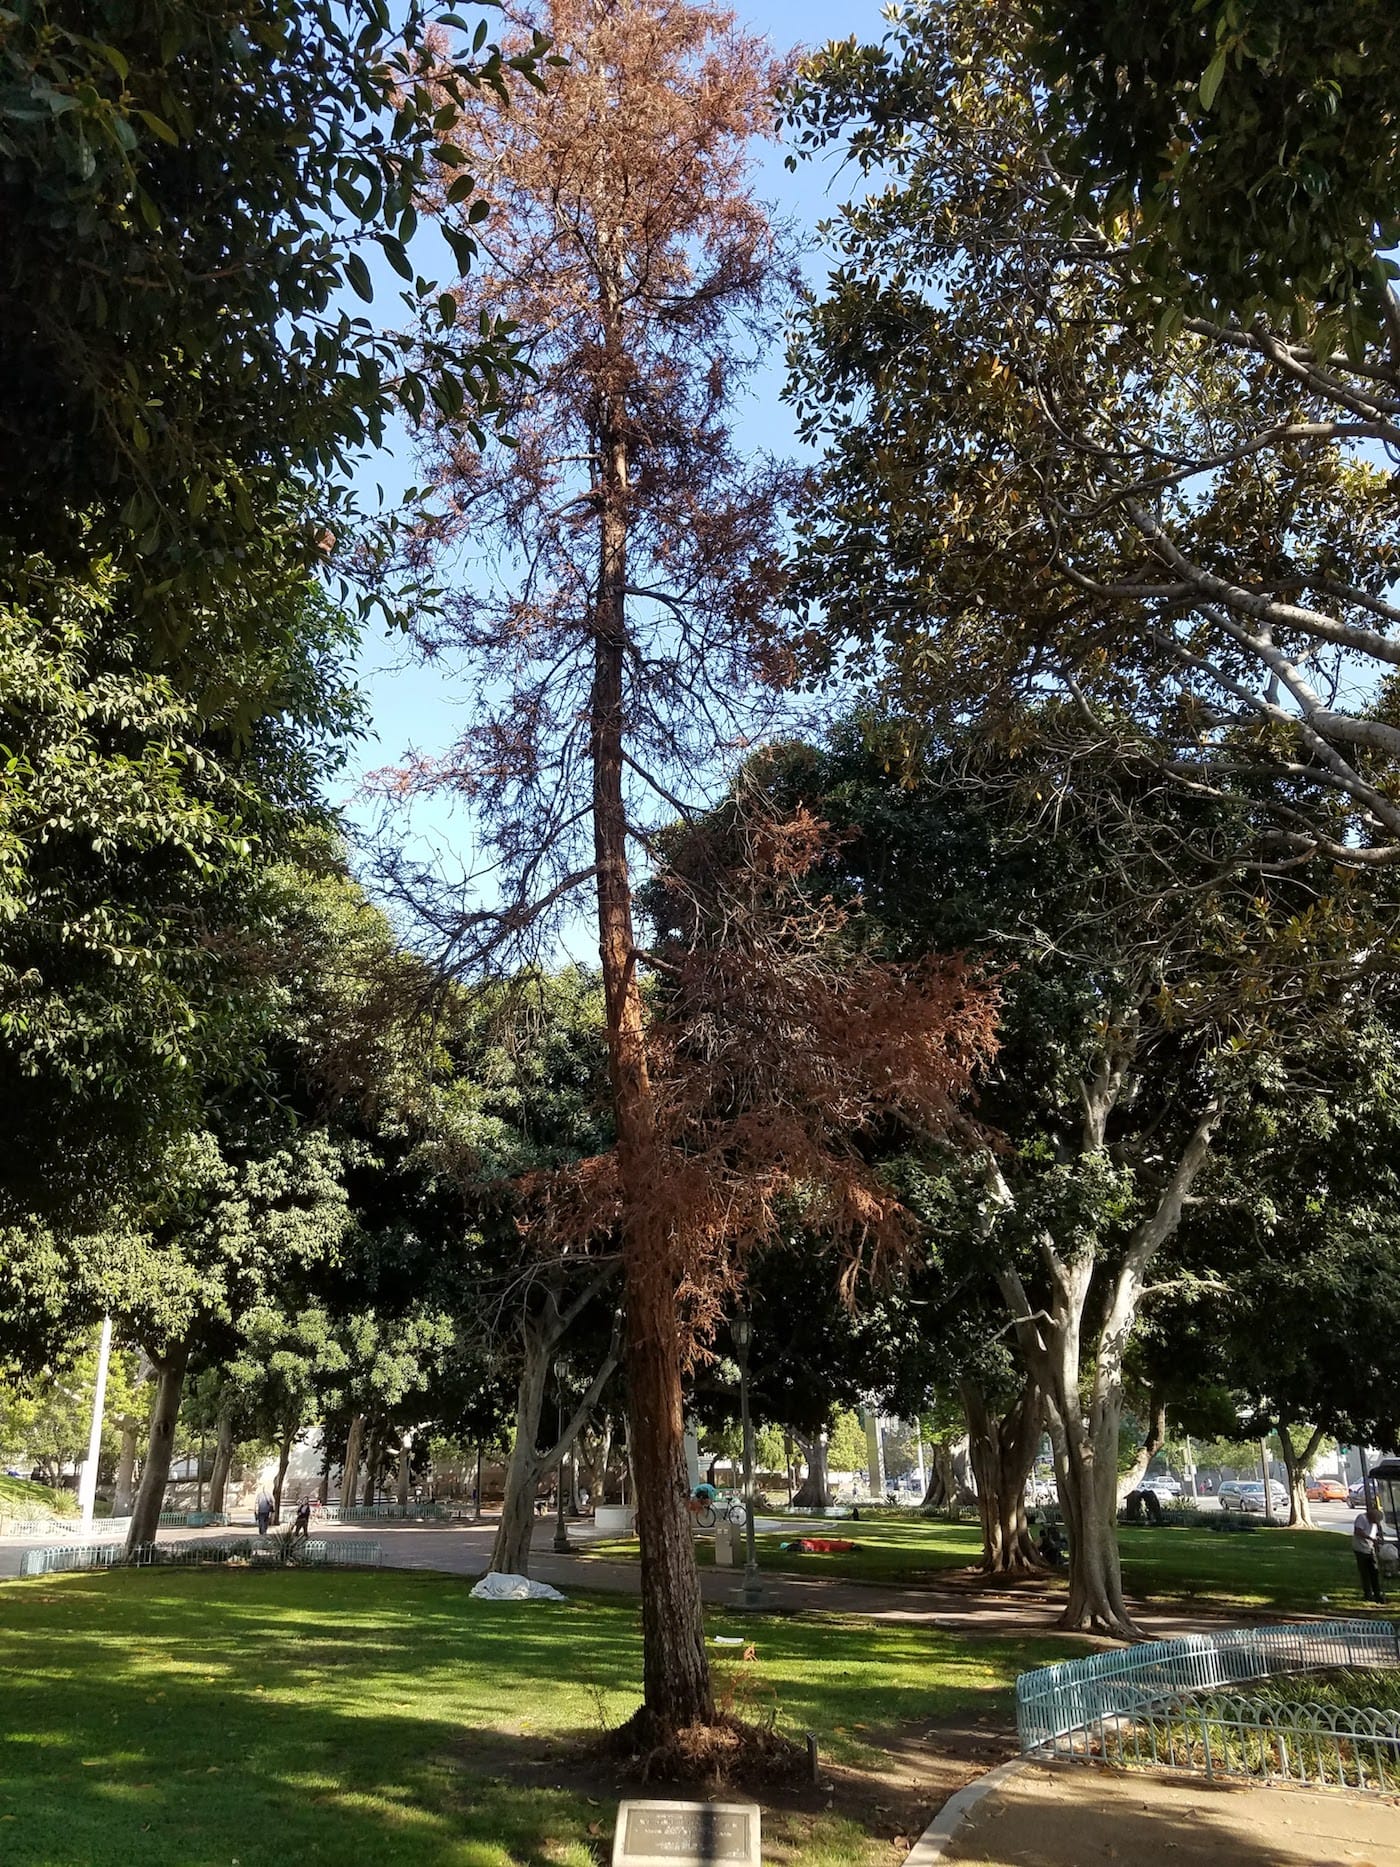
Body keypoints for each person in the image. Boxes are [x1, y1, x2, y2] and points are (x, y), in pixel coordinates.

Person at [1353, 1499, 1385, 1603]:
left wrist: (1377, 1540)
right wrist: (1370, 1538)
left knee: (1374, 1572)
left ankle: (1377, 1593)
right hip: (1360, 1548)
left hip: (1370, 1549)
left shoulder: (1374, 1523)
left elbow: (1375, 1533)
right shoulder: (1361, 1518)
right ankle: (1368, 1594)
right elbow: (1358, 1531)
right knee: (1365, 1572)